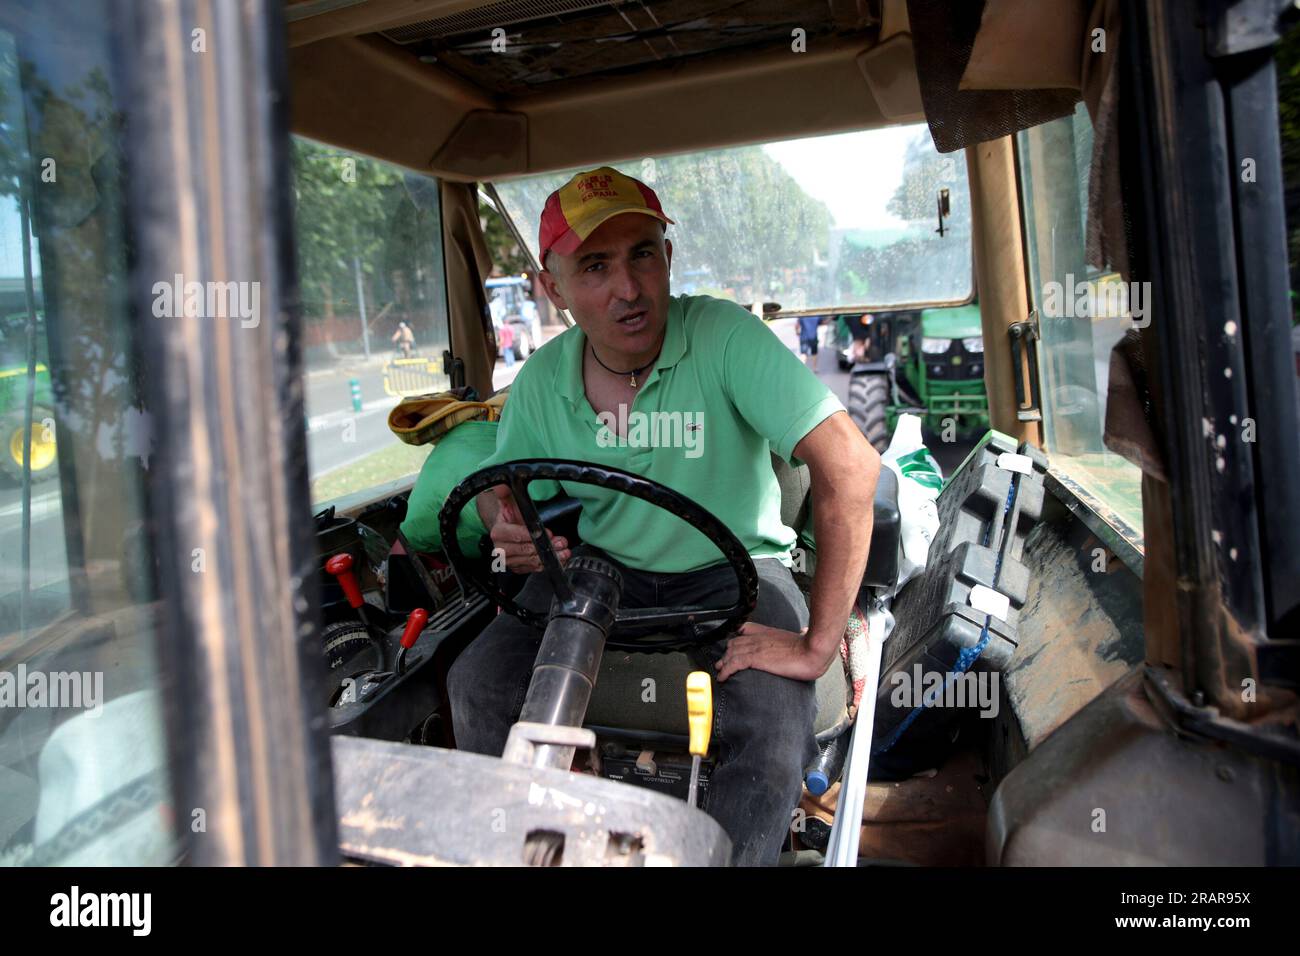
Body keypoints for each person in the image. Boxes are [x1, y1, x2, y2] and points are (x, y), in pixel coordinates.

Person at [446, 166, 880, 866]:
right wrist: (515, 534)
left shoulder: (724, 338)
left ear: (668, 259)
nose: (629, 288)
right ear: (554, 288)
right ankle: (540, 846)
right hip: (598, 573)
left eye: (642, 254)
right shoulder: (540, 384)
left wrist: (816, 646)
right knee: (476, 682)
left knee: (770, 730)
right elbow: (511, 498)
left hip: (735, 569)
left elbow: (854, 469)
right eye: (595, 266)